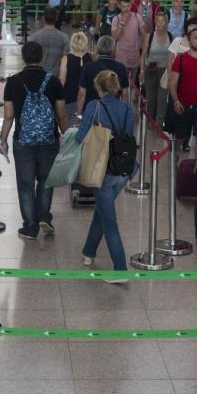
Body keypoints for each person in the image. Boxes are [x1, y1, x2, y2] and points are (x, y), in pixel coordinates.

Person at [0, 41, 68, 240]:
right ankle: (44, 216)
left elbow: (9, 116)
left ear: (23, 58)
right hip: (49, 140)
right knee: (46, 180)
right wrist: (67, 135)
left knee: (25, 184)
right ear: (41, 58)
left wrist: (3, 140)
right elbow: (61, 115)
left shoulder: (13, 82)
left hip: (23, 141)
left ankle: (30, 226)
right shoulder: (53, 82)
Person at [76, 70, 135, 281]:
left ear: (99, 87)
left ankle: (120, 270)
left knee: (109, 221)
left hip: (103, 171)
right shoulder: (128, 109)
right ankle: (88, 253)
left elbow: (81, 137)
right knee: (102, 210)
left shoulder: (95, 107)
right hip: (124, 170)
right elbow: (128, 136)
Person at [168, 25, 197, 155]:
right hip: (183, 105)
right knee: (179, 137)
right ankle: (175, 165)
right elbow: (172, 82)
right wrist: (176, 101)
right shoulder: (180, 59)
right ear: (189, 40)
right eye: (196, 38)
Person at [77, 35, 128, 113]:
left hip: (92, 111)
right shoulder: (121, 67)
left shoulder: (88, 67)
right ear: (113, 50)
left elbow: (82, 93)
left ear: (97, 49)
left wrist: (79, 115)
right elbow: (124, 94)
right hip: (113, 111)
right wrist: (123, 113)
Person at [140, 10, 173, 123]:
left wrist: (171, 72)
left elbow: (173, 56)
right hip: (150, 69)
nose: (160, 24)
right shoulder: (149, 36)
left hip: (164, 70)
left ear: (166, 22)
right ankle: (150, 120)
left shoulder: (170, 36)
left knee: (162, 97)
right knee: (151, 97)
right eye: (158, 21)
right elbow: (143, 55)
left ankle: (159, 121)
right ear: (155, 22)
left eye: (162, 21)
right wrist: (141, 70)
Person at [60, 31, 91, 126]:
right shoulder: (89, 58)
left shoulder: (66, 59)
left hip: (70, 97)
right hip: (86, 97)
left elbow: (62, 80)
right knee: (84, 123)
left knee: (71, 124)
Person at [111, 0, 144, 85]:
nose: (126, 9)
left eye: (128, 6)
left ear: (131, 5)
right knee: (120, 85)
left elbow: (145, 34)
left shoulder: (137, 17)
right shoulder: (116, 19)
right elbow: (115, 37)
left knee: (133, 85)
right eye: (124, 6)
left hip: (134, 57)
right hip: (121, 58)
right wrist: (122, 23)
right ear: (119, 6)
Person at [31, 7, 70, 76]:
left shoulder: (35, 37)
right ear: (56, 19)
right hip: (56, 78)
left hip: (39, 76)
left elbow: (31, 61)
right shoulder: (64, 38)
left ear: (43, 19)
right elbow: (66, 61)